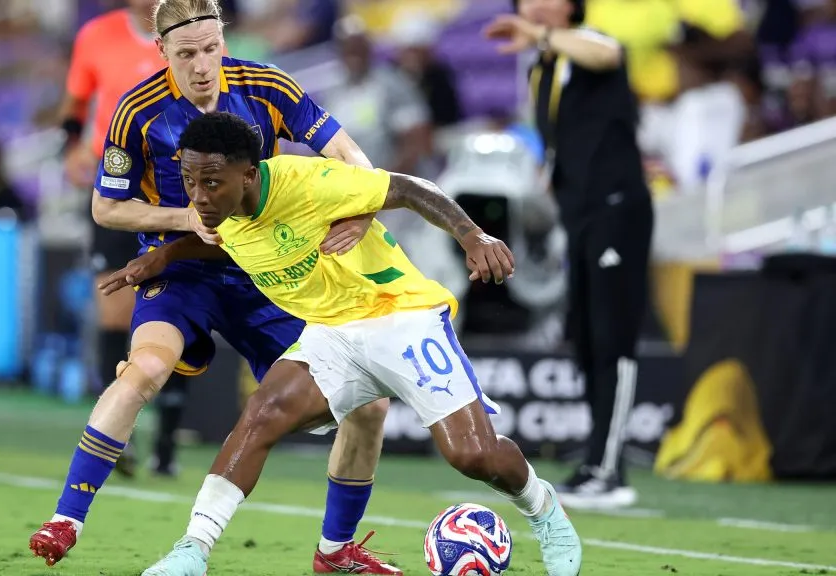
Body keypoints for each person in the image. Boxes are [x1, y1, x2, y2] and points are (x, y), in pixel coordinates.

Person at [100, 111, 582, 576]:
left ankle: (545, 512)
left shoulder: (308, 182)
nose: (198, 196)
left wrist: (473, 236)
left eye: (210, 183)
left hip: (400, 315)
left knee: (472, 456)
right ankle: (192, 551)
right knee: (262, 413)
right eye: (189, 180)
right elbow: (222, 238)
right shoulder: (215, 211)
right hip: (332, 330)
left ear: (248, 175)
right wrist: (164, 255)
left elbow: (412, 188)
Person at [29, 2, 399, 574]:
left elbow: (349, 154)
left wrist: (364, 204)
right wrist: (183, 221)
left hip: (266, 268)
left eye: (210, 49)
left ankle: (336, 550)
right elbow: (106, 206)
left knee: (369, 404)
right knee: (146, 367)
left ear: (223, 39)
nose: (203, 65)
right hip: (180, 269)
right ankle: (66, 518)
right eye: (186, 54)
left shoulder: (268, 86)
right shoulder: (137, 111)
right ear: (162, 52)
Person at [488, 0, 654, 508]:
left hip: (616, 209)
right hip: (580, 217)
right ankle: (596, 459)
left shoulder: (589, 42)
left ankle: (610, 471)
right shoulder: (544, 64)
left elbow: (605, 56)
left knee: (613, 338)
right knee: (583, 336)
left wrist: (540, 36)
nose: (536, 4)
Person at [60, 0, 177, 478]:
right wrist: (70, 147)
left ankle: (166, 447)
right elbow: (75, 101)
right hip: (114, 183)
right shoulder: (96, 35)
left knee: (177, 306)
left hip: (171, 183)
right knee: (113, 310)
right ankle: (113, 436)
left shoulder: (189, 29)